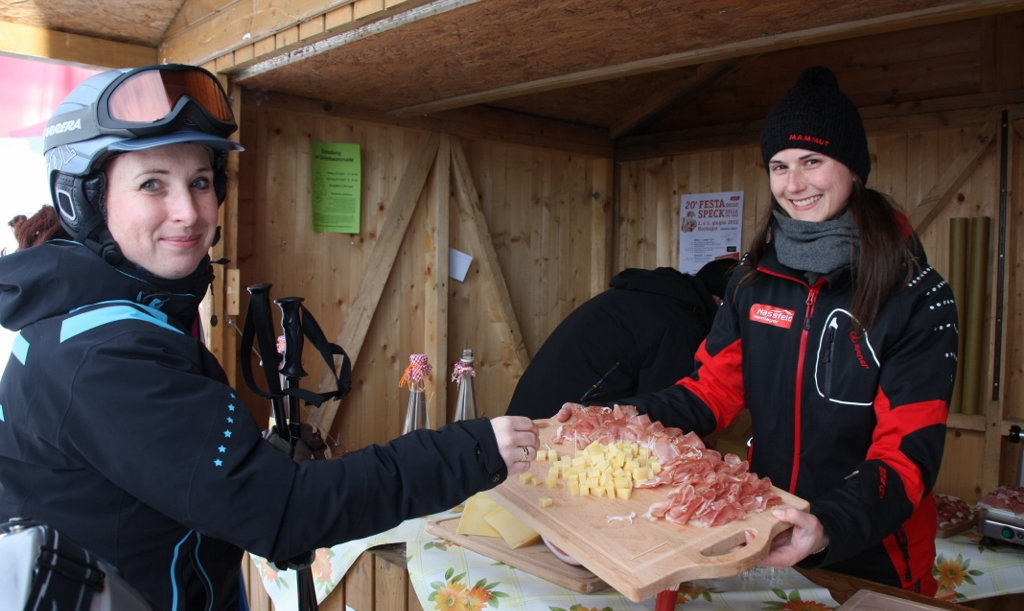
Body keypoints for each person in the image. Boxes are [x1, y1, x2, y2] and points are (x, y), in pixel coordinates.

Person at [0, 64, 538, 610]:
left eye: (201, 182)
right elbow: (285, 515)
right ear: (82, 200)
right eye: (151, 184)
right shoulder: (101, 355)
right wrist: (472, 449)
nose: (189, 213)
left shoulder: (87, 313)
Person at [556, 66, 958, 595]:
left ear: (853, 168)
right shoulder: (753, 282)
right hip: (764, 533)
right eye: (779, 165)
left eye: (812, 162)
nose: (794, 184)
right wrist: (616, 418)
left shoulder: (917, 295)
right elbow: (711, 393)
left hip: (872, 558)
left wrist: (826, 524)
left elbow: (907, 454)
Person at [506, 260, 735, 419]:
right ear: (719, 302)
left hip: (530, 415)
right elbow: (664, 416)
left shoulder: (651, 295)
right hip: (557, 426)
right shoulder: (678, 324)